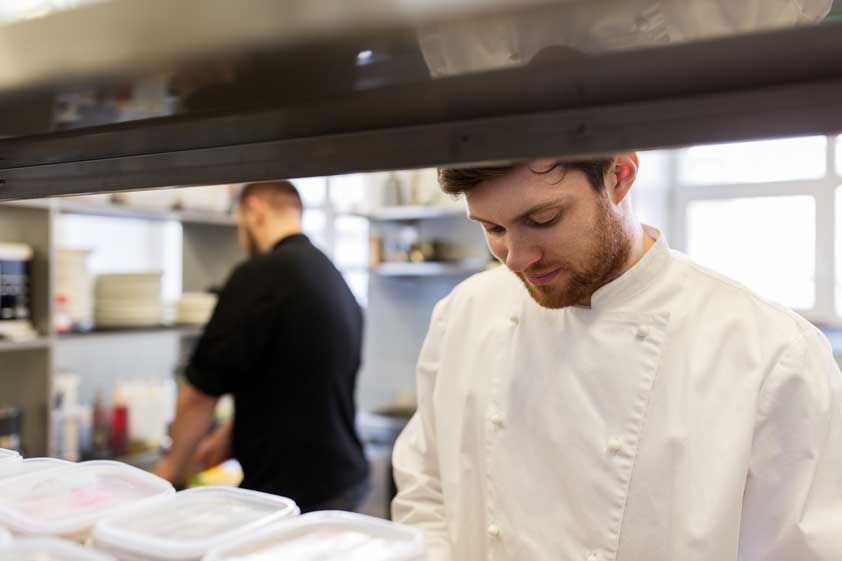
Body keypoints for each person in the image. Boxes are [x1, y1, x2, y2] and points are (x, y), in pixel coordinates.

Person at [391, 156, 842, 561]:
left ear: (619, 176)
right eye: (492, 228)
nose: (517, 258)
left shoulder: (771, 353)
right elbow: (424, 497)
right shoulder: (464, 316)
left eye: (543, 218)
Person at [154, 180, 369, 513]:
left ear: (254, 212)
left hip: (292, 495)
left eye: (240, 223)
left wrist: (170, 471)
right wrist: (230, 435)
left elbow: (199, 393)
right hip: (344, 482)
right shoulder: (332, 276)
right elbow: (298, 383)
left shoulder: (259, 275)